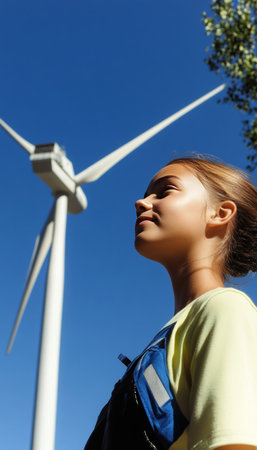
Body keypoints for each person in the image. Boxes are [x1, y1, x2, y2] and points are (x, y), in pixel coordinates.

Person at [84, 156, 257, 450]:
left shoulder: (225, 310)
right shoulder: (171, 336)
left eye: (165, 191)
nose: (141, 203)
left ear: (220, 213)